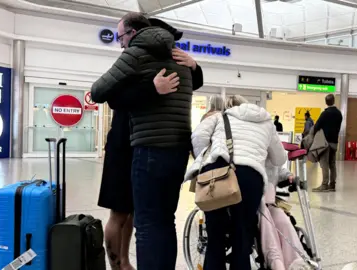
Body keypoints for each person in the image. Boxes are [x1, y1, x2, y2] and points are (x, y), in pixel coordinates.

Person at [92, 13, 202, 270]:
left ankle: (127, 264)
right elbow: (113, 99)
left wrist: (195, 67)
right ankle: (120, 265)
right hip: (127, 146)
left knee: (143, 219)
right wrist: (152, 89)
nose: (120, 44)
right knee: (128, 214)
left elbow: (99, 91)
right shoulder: (152, 57)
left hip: (142, 148)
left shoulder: (145, 55)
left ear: (135, 33)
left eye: (121, 37)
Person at [185, 95, 287, 270]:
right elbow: (279, 158)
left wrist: (206, 157)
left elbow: (198, 135)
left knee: (215, 236)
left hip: (218, 172)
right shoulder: (267, 122)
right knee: (242, 235)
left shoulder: (221, 116)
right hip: (250, 176)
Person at [312, 94, 343, 192]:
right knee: (332, 164)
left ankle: (324, 185)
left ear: (326, 102)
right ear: (334, 101)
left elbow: (316, 126)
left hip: (325, 143)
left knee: (324, 163)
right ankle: (332, 184)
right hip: (334, 142)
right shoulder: (339, 113)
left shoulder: (325, 114)